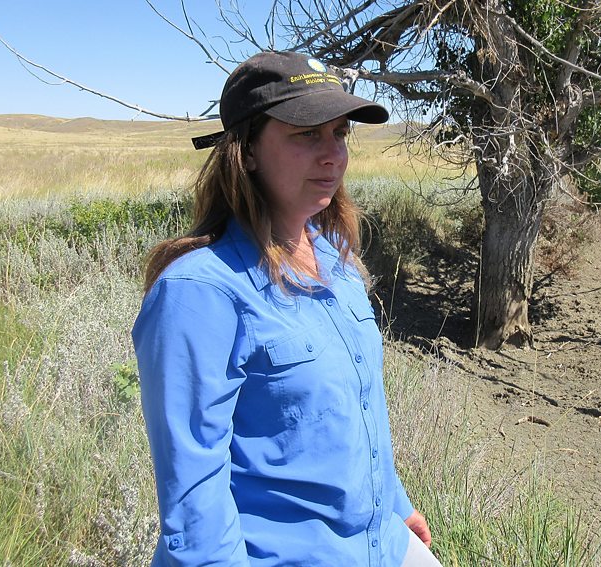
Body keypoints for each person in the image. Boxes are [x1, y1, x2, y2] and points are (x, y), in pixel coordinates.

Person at [132, 50, 441, 567]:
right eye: (306, 134)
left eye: (339, 133)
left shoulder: (334, 260)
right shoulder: (199, 292)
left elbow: (361, 402)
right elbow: (194, 497)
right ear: (246, 150)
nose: (333, 155)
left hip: (379, 543)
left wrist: (394, 502)